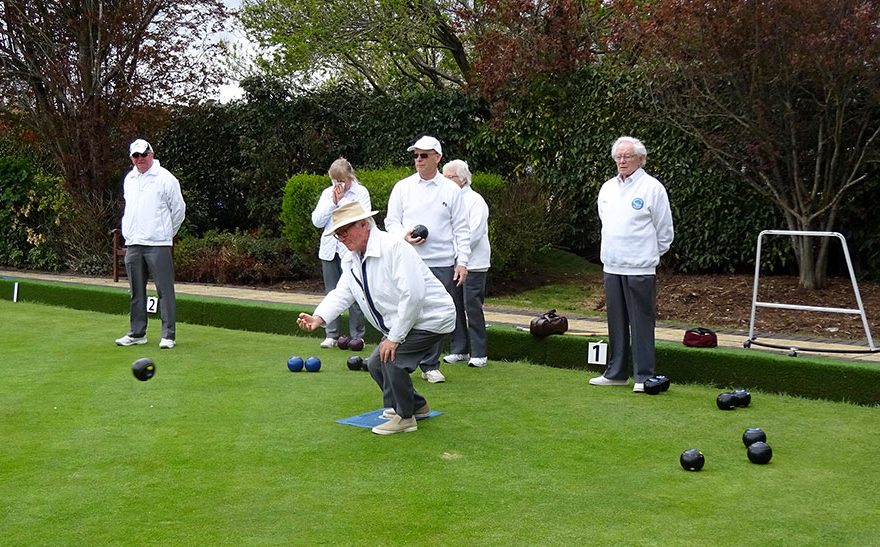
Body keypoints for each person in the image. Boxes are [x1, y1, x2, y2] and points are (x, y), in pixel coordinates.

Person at [296, 202, 456, 435]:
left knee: (392, 358)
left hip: (431, 318)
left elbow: (413, 296)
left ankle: (405, 417)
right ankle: (417, 405)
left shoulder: (394, 248)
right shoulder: (352, 258)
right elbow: (343, 292)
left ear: (364, 224)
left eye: (344, 231)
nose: (341, 238)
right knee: (374, 363)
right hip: (405, 321)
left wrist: (394, 338)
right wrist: (319, 317)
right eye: (337, 234)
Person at [589, 136, 674, 392]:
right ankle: (616, 373)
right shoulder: (607, 188)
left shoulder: (652, 188)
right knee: (615, 321)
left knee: (641, 322)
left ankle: (643, 376)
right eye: (618, 156)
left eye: (627, 156)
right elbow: (606, 221)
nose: (622, 161)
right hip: (612, 265)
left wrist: (647, 255)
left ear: (640, 159)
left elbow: (665, 231)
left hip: (640, 268)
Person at [385, 135, 470, 384]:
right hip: (408, 259)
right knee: (406, 309)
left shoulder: (452, 190)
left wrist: (462, 261)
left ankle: (430, 365)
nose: (419, 160)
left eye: (424, 155)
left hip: (442, 262)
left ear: (438, 158)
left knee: (437, 314)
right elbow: (391, 222)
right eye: (416, 155)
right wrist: (404, 235)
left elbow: (461, 230)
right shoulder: (402, 187)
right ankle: (405, 360)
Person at [115, 139, 186, 349]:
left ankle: (168, 335)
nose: (140, 159)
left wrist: (166, 234)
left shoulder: (166, 179)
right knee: (136, 291)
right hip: (134, 242)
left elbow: (179, 210)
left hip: (158, 243)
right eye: (136, 156)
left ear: (151, 154)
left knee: (164, 290)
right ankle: (137, 333)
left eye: (143, 155)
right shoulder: (129, 179)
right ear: (131, 158)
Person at [310, 158, 370, 348]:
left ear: (350, 176)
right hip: (330, 250)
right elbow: (317, 221)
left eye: (341, 181)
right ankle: (331, 335)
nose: (337, 185)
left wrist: (342, 200)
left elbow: (362, 218)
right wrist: (332, 203)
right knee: (332, 292)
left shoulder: (361, 192)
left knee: (355, 291)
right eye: (334, 181)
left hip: (351, 250)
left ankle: (357, 336)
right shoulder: (327, 193)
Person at [441, 160, 491, 367]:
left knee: (472, 307)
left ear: (462, 178)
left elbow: (474, 234)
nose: (445, 181)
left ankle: (479, 353)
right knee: (454, 306)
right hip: (451, 262)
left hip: (474, 264)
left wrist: (456, 252)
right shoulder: (447, 199)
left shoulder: (475, 201)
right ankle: (459, 349)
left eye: (449, 177)